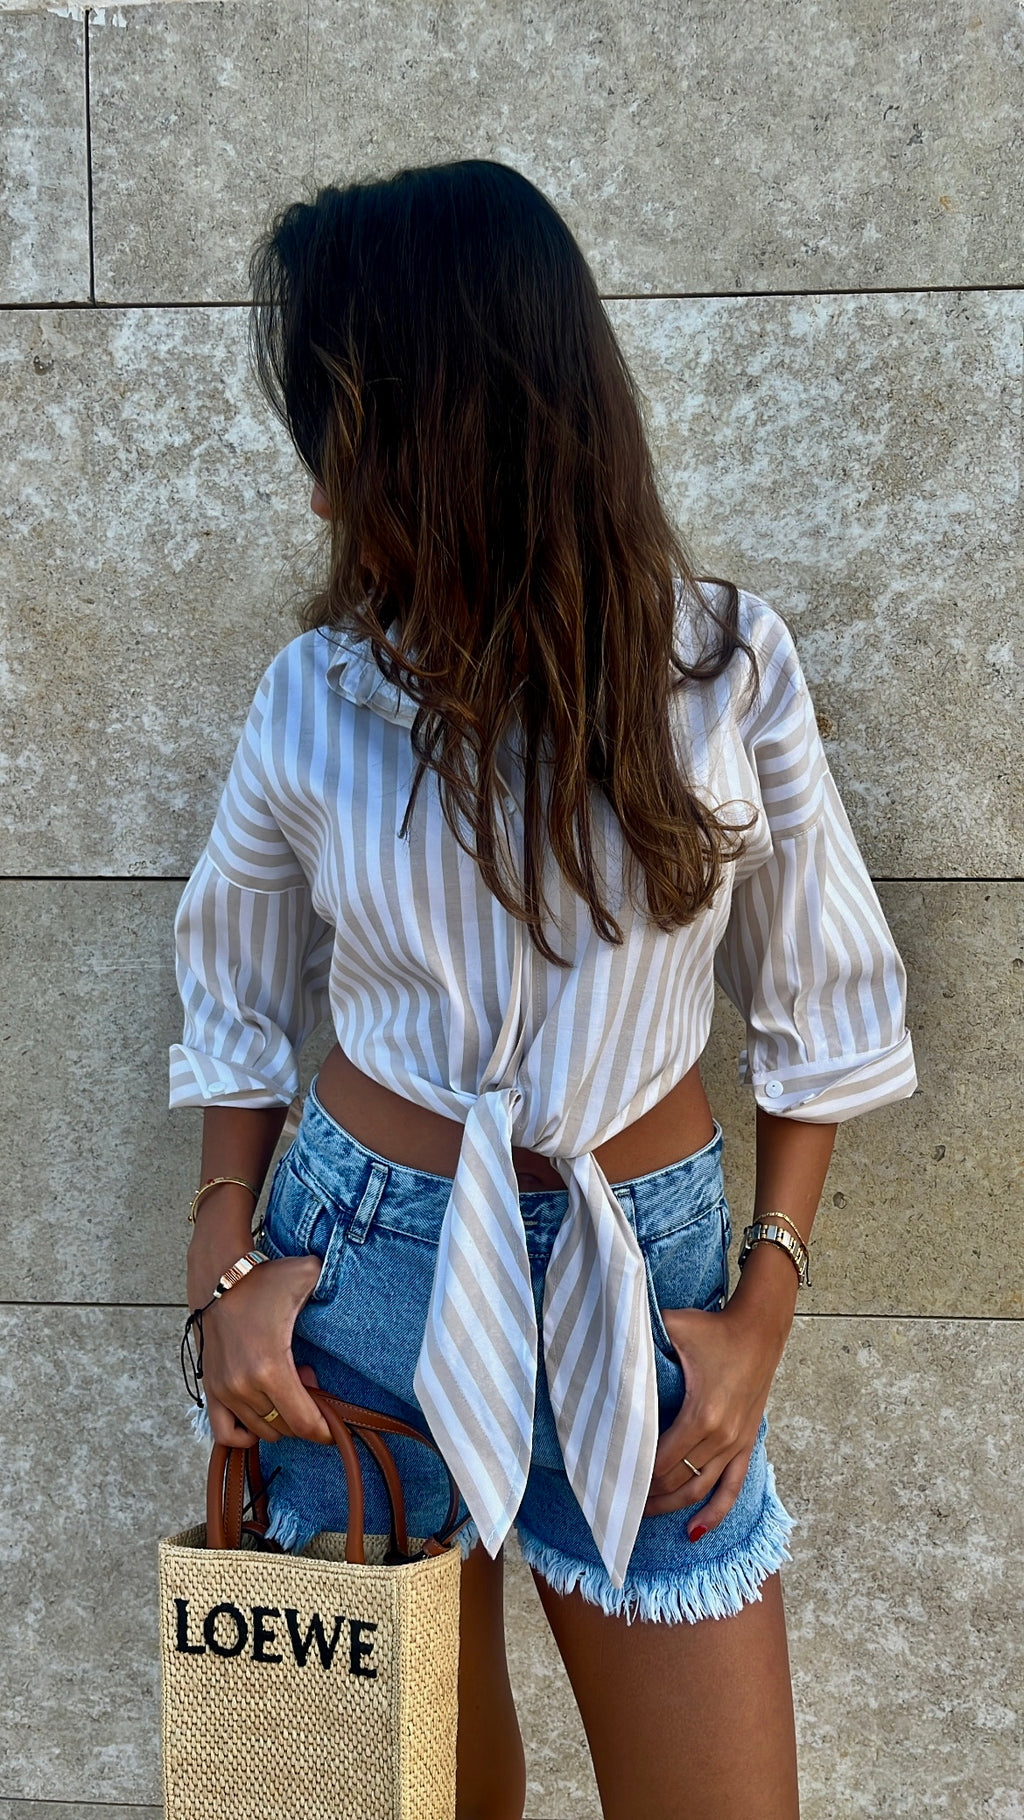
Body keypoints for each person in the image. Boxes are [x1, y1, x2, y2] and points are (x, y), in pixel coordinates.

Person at [170, 159, 917, 1820]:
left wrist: (762, 1320)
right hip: (353, 1291)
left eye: (340, 445)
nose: (316, 499)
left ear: (458, 430)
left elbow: (827, 1014)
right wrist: (222, 1264)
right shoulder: (317, 698)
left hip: (641, 1295)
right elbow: (233, 995)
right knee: (389, 1800)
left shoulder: (723, 675)